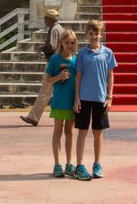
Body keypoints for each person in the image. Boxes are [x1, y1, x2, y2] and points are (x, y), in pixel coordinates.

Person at [73, 20, 116, 181]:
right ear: (86, 34)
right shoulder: (82, 54)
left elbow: (110, 75)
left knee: (98, 132)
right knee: (82, 132)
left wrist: (110, 96)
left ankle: (97, 163)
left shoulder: (108, 53)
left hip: (100, 98)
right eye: (91, 33)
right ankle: (79, 165)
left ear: (101, 35)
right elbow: (78, 75)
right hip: (84, 98)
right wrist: (76, 97)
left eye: (96, 33)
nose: (94, 36)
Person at [20, 9, 64, 126]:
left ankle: (34, 117)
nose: (44, 21)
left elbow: (52, 46)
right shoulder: (60, 28)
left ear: (50, 19)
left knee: (45, 91)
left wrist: (42, 48)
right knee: (59, 91)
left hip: (54, 64)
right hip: (60, 63)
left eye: (45, 18)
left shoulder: (54, 29)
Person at [47, 29, 79, 178]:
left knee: (69, 132)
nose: (70, 45)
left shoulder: (76, 60)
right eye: (67, 42)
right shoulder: (55, 59)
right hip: (59, 101)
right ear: (61, 43)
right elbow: (47, 80)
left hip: (72, 102)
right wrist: (59, 76)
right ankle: (57, 163)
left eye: (72, 43)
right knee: (57, 131)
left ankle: (69, 163)